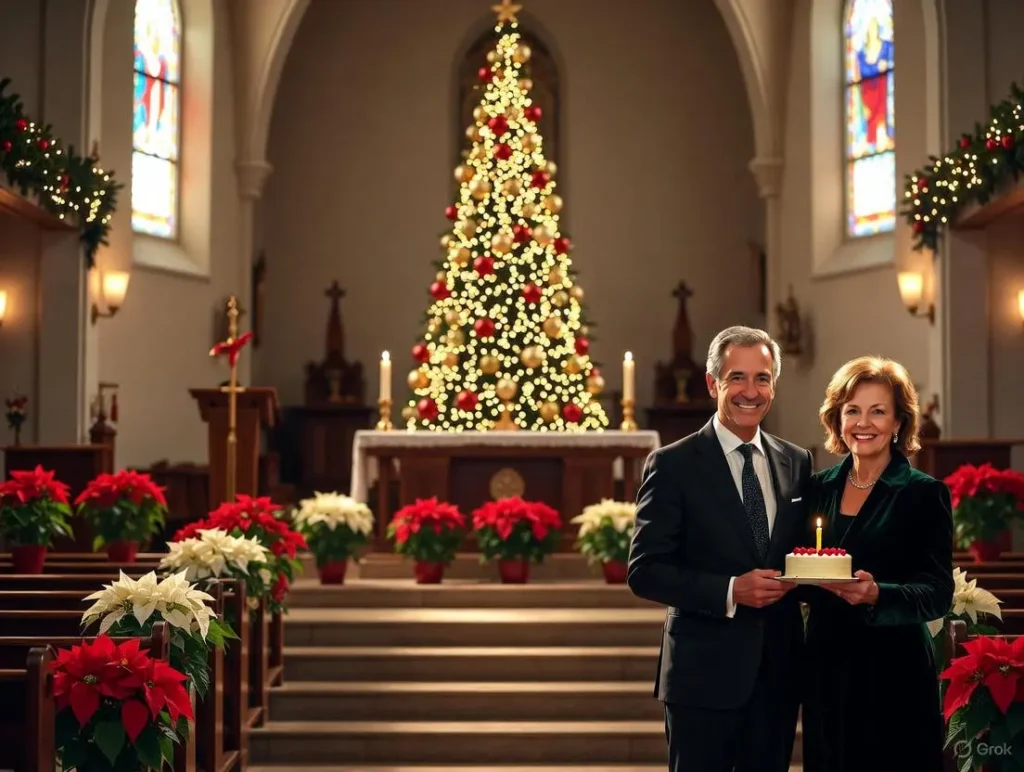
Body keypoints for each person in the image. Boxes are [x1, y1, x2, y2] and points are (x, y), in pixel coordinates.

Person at [626, 326, 815, 772]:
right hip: (701, 677)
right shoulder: (672, 464)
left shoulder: (797, 461)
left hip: (777, 674)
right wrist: (731, 590)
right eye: (737, 378)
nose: (751, 391)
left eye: (763, 378)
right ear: (713, 384)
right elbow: (645, 569)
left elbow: (805, 551)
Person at [798, 356, 954, 771]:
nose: (863, 423)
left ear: (899, 423)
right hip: (827, 667)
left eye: (878, 411)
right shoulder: (817, 489)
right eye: (852, 410)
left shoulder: (924, 494)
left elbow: (938, 594)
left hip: (894, 672)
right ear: (837, 418)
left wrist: (876, 595)